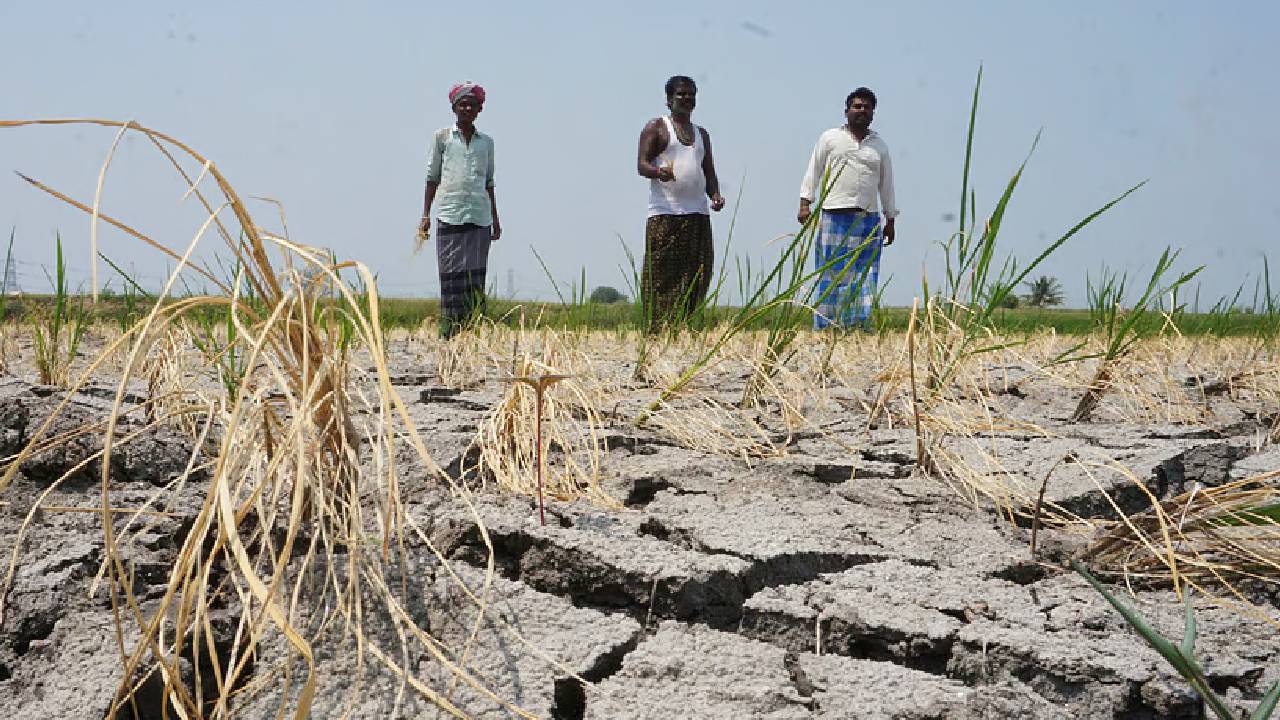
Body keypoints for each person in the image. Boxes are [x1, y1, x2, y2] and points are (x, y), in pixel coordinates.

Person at [797, 86, 898, 330]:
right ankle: (825, 325)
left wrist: (890, 219)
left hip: (868, 218)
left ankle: (858, 326)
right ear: (846, 111)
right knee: (830, 274)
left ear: (873, 113)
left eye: (867, 107)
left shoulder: (879, 146)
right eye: (857, 106)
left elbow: (887, 184)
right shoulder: (830, 138)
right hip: (834, 214)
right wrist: (804, 203)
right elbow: (814, 170)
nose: (861, 111)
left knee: (865, 275)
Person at [636, 75, 725, 333]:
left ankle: (685, 327)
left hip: (697, 213)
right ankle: (657, 330)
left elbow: (708, 170)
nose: (687, 99)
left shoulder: (702, 134)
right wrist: (657, 172)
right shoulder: (657, 128)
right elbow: (641, 164)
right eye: (681, 94)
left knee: (697, 272)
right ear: (668, 99)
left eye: (691, 94)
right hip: (665, 213)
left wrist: (715, 195)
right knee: (661, 274)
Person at [418, 81, 502, 338]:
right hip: (449, 214)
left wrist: (495, 219)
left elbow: (489, 182)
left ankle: (473, 331)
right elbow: (432, 177)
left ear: (479, 110)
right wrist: (425, 215)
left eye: (472, 105)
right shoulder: (442, 138)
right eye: (462, 104)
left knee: (475, 277)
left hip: (479, 216)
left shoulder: (486, 143)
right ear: (454, 107)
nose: (467, 108)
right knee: (450, 275)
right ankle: (449, 332)